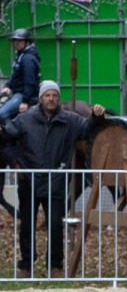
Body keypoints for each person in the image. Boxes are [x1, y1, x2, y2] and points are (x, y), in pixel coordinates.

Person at [0, 80, 106, 278]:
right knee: (27, 226)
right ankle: (26, 266)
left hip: (56, 180)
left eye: (55, 95)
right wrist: (15, 162)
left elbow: (87, 129)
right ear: (41, 98)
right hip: (29, 180)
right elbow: (6, 140)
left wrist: (97, 116)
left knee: (56, 225)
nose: (51, 99)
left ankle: (55, 266)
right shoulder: (25, 119)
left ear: (58, 98)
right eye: (47, 95)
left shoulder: (70, 120)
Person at [0, 28, 41, 121]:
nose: (16, 43)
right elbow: (16, 76)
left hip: (24, 95)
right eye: (15, 40)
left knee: (1, 114)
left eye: (19, 40)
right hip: (18, 93)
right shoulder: (21, 56)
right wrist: (8, 86)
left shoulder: (28, 59)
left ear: (27, 42)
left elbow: (29, 81)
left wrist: (25, 101)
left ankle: (11, 133)